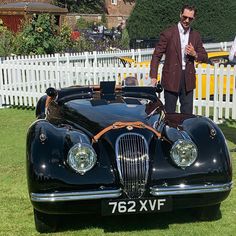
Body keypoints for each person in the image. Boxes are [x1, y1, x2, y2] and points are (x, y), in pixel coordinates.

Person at [150, 4, 208, 114]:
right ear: (180, 14)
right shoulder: (168, 33)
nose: (186, 20)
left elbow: (205, 56)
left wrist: (195, 54)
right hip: (170, 78)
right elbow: (156, 55)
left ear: (193, 18)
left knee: (187, 116)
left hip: (188, 79)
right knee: (169, 114)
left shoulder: (195, 35)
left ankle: (183, 132)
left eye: (190, 18)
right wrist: (153, 76)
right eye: (184, 17)